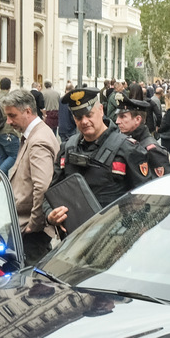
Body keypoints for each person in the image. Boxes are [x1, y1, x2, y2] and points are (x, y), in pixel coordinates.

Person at [45, 87, 148, 234]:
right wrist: (51, 215)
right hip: (74, 240)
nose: (84, 121)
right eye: (78, 117)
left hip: (113, 239)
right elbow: (51, 194)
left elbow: (146, 198)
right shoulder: (67, 149)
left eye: (89, 115)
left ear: (101, 110)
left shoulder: (128, 149)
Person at [1, 88, 60, 264]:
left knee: (30, 283)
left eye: (12, 116)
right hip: (26, 228)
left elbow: (42, 187)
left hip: (29, 232)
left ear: (27, 111)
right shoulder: (36, 134)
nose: (9, 121)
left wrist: (33, 225)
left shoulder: (38, 140)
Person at [115, 97, 168, 180]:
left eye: (122, 117)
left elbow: (162, 183)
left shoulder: (151, 149)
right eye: (117, 116)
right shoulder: (124, 141)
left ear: (137, 119)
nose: (117, 121)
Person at [0, 77, 20, 172]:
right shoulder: (8, 98)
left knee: (2, 157)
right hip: (8, 131)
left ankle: (3, 183)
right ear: (9, 86)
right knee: (15, 156)